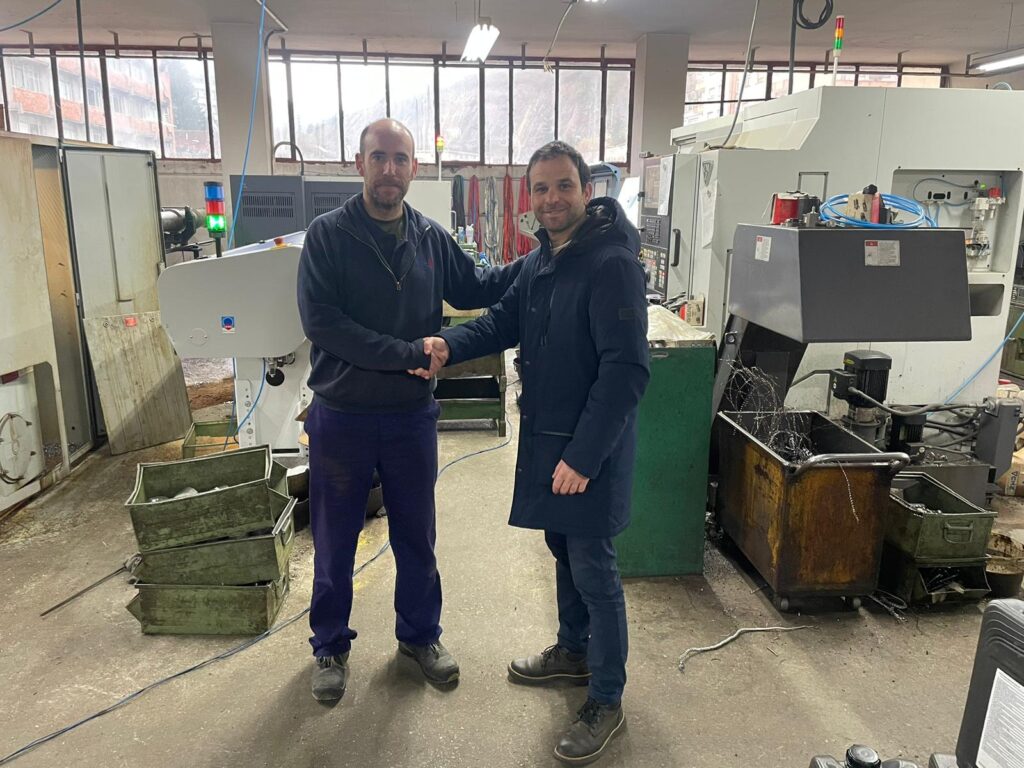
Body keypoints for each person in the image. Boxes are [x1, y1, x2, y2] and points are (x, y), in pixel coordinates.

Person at [413, 141, 650, 765]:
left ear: (587, 191)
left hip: (586, 451)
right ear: (529, 197)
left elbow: (626, 371)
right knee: (563, 548)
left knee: (594, 567)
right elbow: (501, 321)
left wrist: (585, 457)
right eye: (540, 188)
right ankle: (573, 650)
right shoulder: (542, 260)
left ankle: (607, 698)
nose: (552, 199)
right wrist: (448, 345)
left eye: (563, 186)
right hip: (550, 442)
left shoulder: (611, 263)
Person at [296, 118, 523, 702]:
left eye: (400, 159)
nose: (389, 169)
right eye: (379, 157)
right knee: (335, 539)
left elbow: (474, 288)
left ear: (414, 168)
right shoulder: (327, 236)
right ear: (359, 163)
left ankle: (420, 636)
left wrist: (546, 252)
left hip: (409, 416)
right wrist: (408, 354)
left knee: (417, 536)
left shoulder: (428, 237)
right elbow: (323, 324)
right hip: (341, 415)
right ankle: (329, 645)